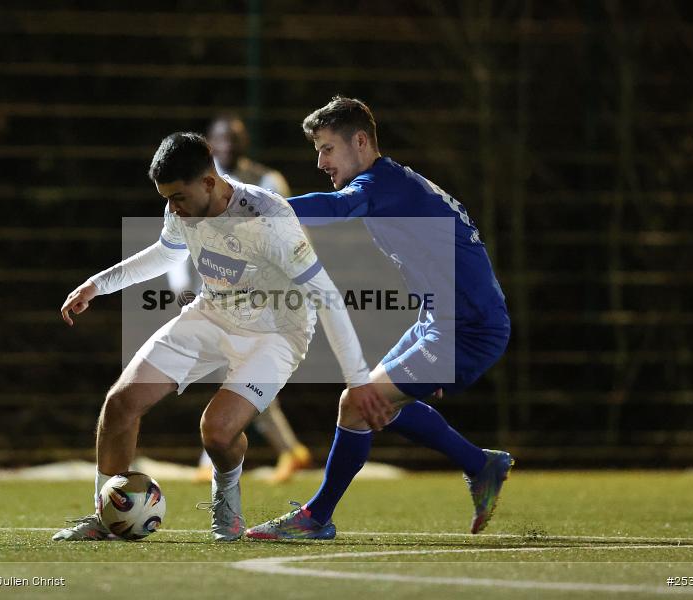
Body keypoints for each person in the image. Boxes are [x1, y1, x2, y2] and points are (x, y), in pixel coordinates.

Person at [54, 132, 387, 542]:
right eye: (166, 198)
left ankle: (226, 495)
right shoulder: (180, 209)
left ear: (209, 182)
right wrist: (97, 284)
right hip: (212, 313)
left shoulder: (269, 217)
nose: (172, 207)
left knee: (217, 431)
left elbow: (327, 296)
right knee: (120, 404)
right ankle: (107, 517)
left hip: (278, 333)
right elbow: (167, 252)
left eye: (178, 196)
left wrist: (357, 380)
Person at [245, 97, 514, 540]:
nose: (320, 161)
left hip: (469, 329)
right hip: (444, 322)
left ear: (361, 141)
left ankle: (315, 519)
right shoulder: (390, 183)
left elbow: (334, 208)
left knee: (357, 403)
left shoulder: (380, 184)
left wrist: (255, 208)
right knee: (370, 405)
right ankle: (481, 465)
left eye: (327, 149)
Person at [188, 115, 312, 485]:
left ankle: (215, 459)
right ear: (208, 144)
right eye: (221, 139)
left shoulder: (268, 181)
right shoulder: (196, 184)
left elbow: (291, 231)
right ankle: (289, 450)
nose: (228, 145)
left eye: (235, 138)